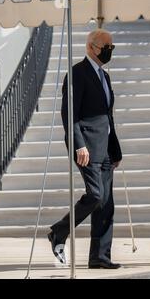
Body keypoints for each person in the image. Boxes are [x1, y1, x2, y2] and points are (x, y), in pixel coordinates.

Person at [47, 29, 123, 269]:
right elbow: (69, 114)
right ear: (92, 47)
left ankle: (99, 257)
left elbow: (108, 117)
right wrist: (78, 143)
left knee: (107, 204)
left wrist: (115, 149)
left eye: (112, 47)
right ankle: (59, 232)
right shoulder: (77, 74)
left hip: (105, 149)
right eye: (106, 47)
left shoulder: (105, 76)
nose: (110, 51)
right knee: (96, 195)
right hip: (86, 146)